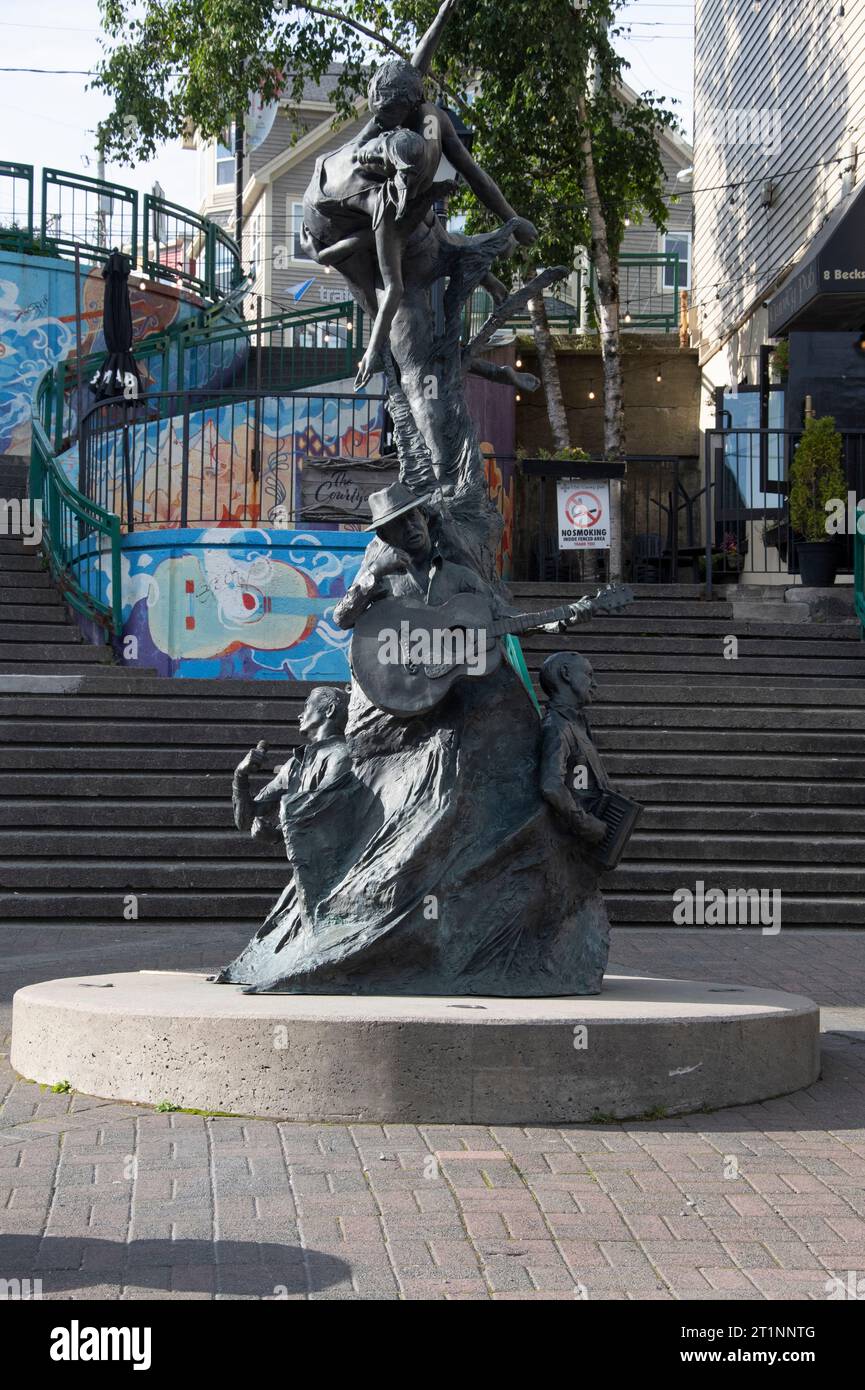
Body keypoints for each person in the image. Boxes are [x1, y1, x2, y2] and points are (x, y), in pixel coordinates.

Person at [539, 652, 609, 846]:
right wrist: (585, 824)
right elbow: (551, 785)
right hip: (568, 840)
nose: (595, 684)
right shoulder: (557, 727)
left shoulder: (576, 723)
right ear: (566, 674)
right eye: (589, 674)